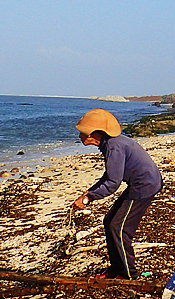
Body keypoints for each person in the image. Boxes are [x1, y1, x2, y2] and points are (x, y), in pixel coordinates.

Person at [70, 108, 163, 279]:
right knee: (109, 221)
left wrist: (88, 198)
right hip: (141, 183)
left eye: (82, 133)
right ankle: (116, 269)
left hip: (144, 185)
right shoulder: (110, 144)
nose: (79, 136)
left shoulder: (114, 147)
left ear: (94, 134)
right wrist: (89, 192)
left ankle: (129, 275)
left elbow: (113, 183)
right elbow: (110, 175)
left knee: (119, 228)